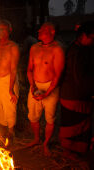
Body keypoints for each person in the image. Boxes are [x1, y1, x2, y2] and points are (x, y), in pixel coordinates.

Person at [26, 22, 65, 156]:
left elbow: (58, 75)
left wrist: (47, 93)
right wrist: (32, 86)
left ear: (52, 31)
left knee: (50, 119)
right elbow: (29, 70)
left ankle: (46, 144)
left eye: (42, 30)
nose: (39, 31)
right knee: (33, 116)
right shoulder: (34, 48)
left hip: (51, 87)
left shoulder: (57, 49)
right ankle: (36, 139)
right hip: (36, 85)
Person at [59, 21, 94, 160]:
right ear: (83, 36)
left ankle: (80, 149)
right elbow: (78, 76)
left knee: (82, 125)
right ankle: (68, 151)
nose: (92, 41)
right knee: (71, 125)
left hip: (80, 94)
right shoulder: (75, 52)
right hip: (73, 95)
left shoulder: (84, 49)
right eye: (91, 38)